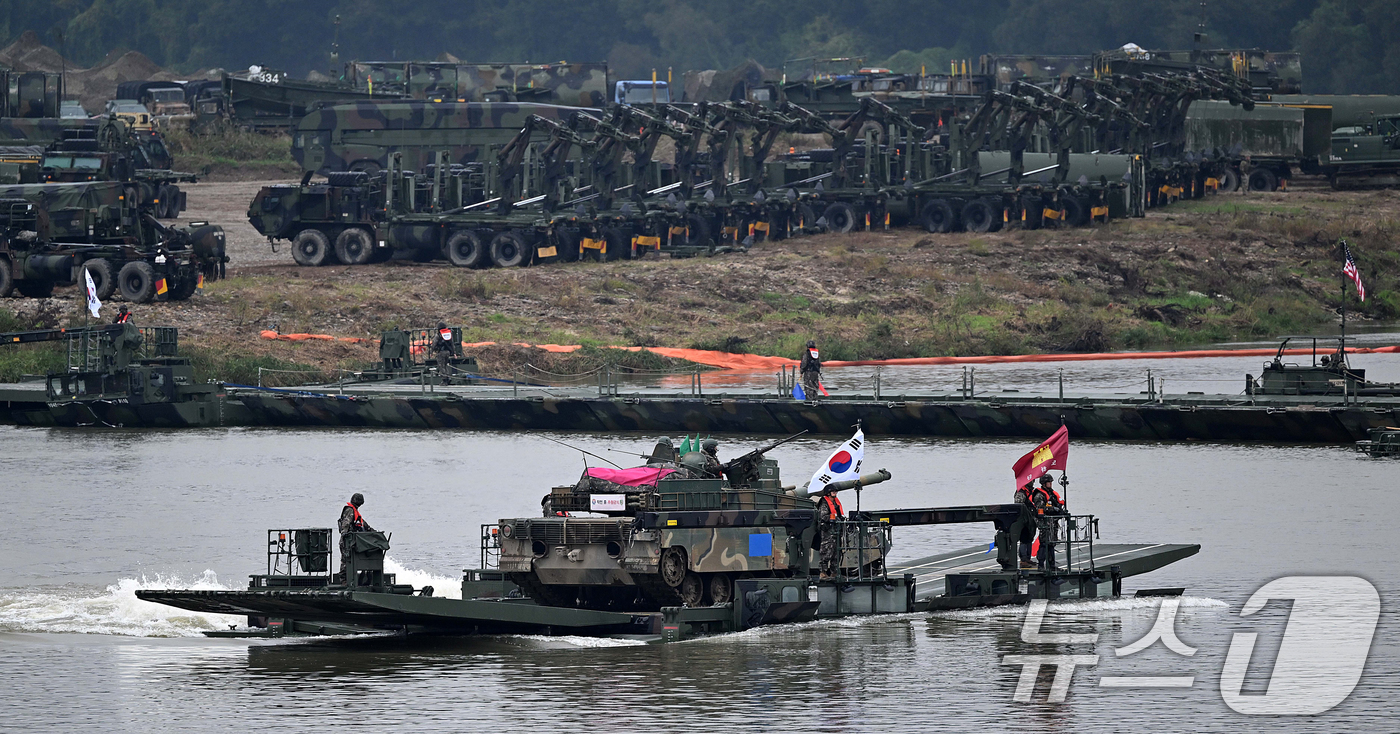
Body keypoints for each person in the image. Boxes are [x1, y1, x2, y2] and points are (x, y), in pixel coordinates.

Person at [997, 480, 1038, 571]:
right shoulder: (1021, 492)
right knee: (1024, 539)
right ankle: (1023, 559)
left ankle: (1028, 558)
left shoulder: (1031, 492)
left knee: (1030, 538)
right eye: (1031, 481)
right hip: (1023, 520)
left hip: (1031, 519)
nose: (1033, 482)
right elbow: (1018, 505)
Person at [1032, 474, 1067, 571]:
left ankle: (1051, 565)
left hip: (1053, 522)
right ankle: (1040, 565)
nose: (1050, 484)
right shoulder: (1040, 495)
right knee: (1044, 543)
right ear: (1044, 484)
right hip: (1045, 522)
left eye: (1051, 482)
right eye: (1049, 482)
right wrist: (1052, 509)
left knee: (1052, 543)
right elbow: (1040, 509)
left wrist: (1060, 511)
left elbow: (1057, 504)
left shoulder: (1052, 494)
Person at [338, 492, 374, 576]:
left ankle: (350, 578)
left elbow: (362, 523)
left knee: (349, 559)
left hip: (351, 540)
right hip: (347, 541)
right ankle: (344, 579)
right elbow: (346, 523)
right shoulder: (350, 510)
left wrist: (371, 530)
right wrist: (344, 534)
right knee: (345, 560)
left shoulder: (355, 512)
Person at [815, 490, 844, 580]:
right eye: (833, 492)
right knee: (826, 551)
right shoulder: (824, 503)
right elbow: (823, 516)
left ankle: (834, 572)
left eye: (836, 491)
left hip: (836, 530)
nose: (835, 493)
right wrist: (834, 518)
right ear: (828, 493)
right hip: (828, 531)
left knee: (836, 552)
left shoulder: (836, 502)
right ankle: (823, 572)